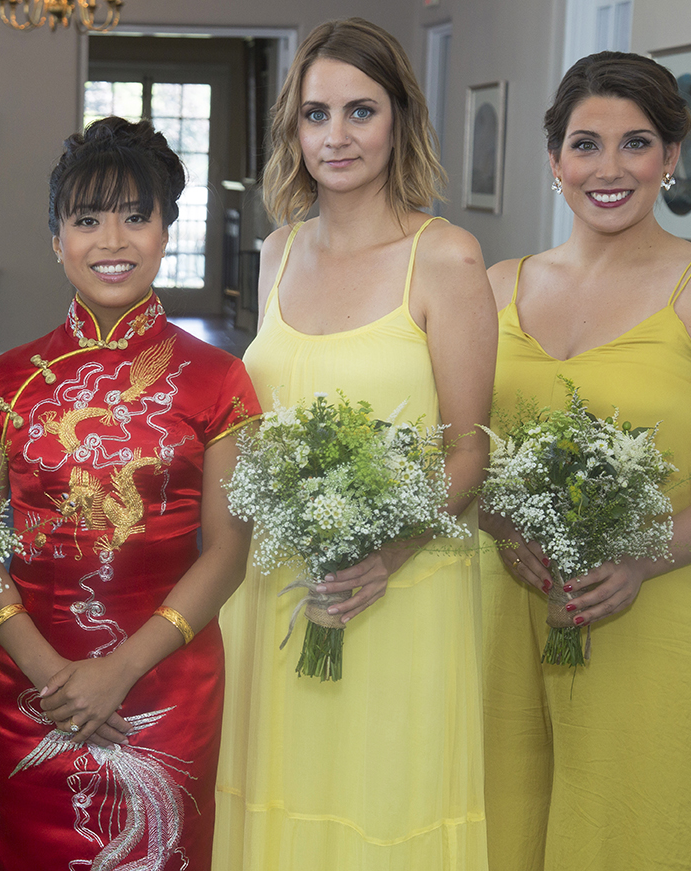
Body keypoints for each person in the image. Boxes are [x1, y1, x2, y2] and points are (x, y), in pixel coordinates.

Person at [480, 50, 691, 870]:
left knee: (630, 817)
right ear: (553, 161)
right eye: (585, 144)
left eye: (636, 142)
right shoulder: (494, 287)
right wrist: (493, 515)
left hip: (652, 598)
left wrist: (636, 558)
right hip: (506, 592)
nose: (608, 168)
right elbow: (459, 442)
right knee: (496, 806)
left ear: (671, 157)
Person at [212, 18, 496, 869]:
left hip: (396, 592)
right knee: (276, 798)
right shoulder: (276, 251)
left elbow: (468, 450)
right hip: (276, 584)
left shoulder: (444, 257)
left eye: (360, 112)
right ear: (292, 132)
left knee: (381, 808)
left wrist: (387, 549)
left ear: (399, 120)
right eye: (315, 115)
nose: (335, 136)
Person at [0, 116, 261, 871]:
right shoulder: (5, 379)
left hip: (164, 681)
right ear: (55, 236)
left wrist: (118, 670)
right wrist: (46, 671)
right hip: (28, 689)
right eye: (87, 218)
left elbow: (228, 552)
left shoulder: (218, 379)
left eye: (137, 216)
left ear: (168, 229)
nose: (112, 239)